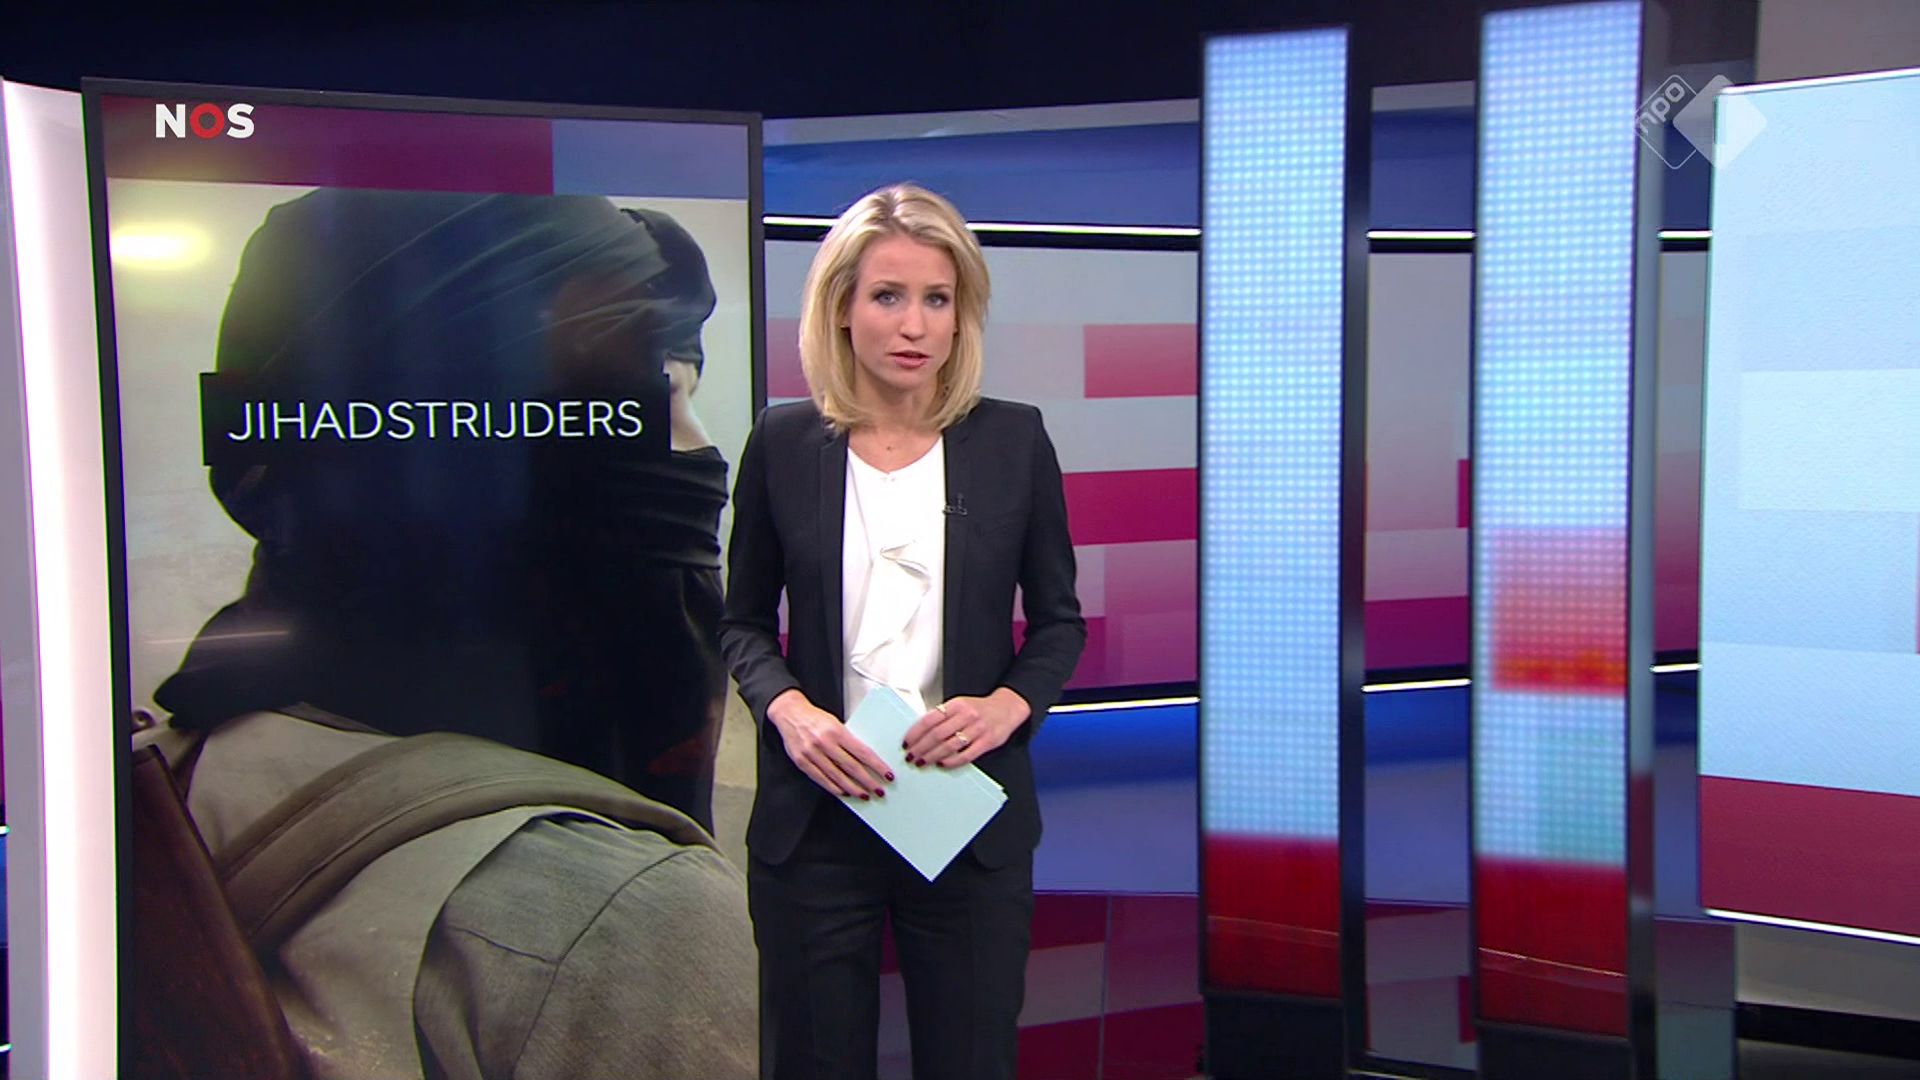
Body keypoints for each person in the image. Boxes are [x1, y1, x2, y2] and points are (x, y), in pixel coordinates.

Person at [720, 183, 1086, 1080]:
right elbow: (742, 624)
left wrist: (1006, 707)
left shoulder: (1014, 441)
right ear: (842, 309)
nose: (914, 325)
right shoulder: (782, 443)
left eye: (937, 298)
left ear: (962, 315)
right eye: (887, 296)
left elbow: (1058, 623)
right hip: (816, 824)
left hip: (963, 813)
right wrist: (791, 714)